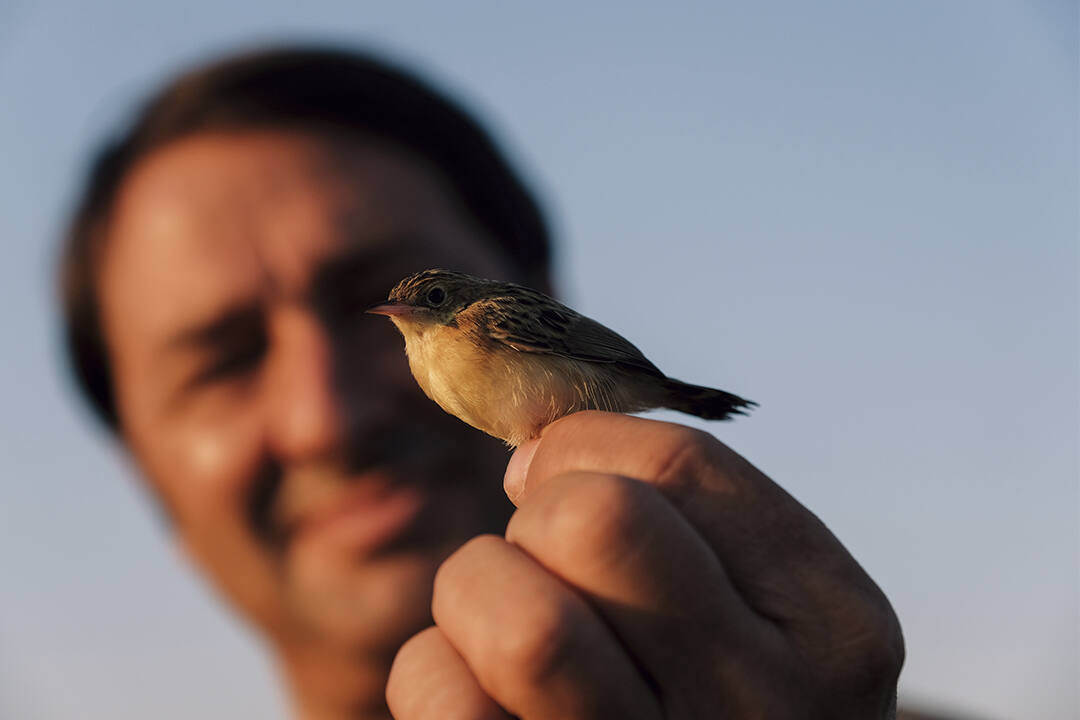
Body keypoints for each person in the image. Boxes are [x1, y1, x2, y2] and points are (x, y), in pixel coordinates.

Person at [59, 46, 905, 719]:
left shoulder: (482, 320)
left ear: (530, 278)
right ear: (133, 462)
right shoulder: (427, 363)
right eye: (224, 358)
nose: (327, 421)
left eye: (378, 285)